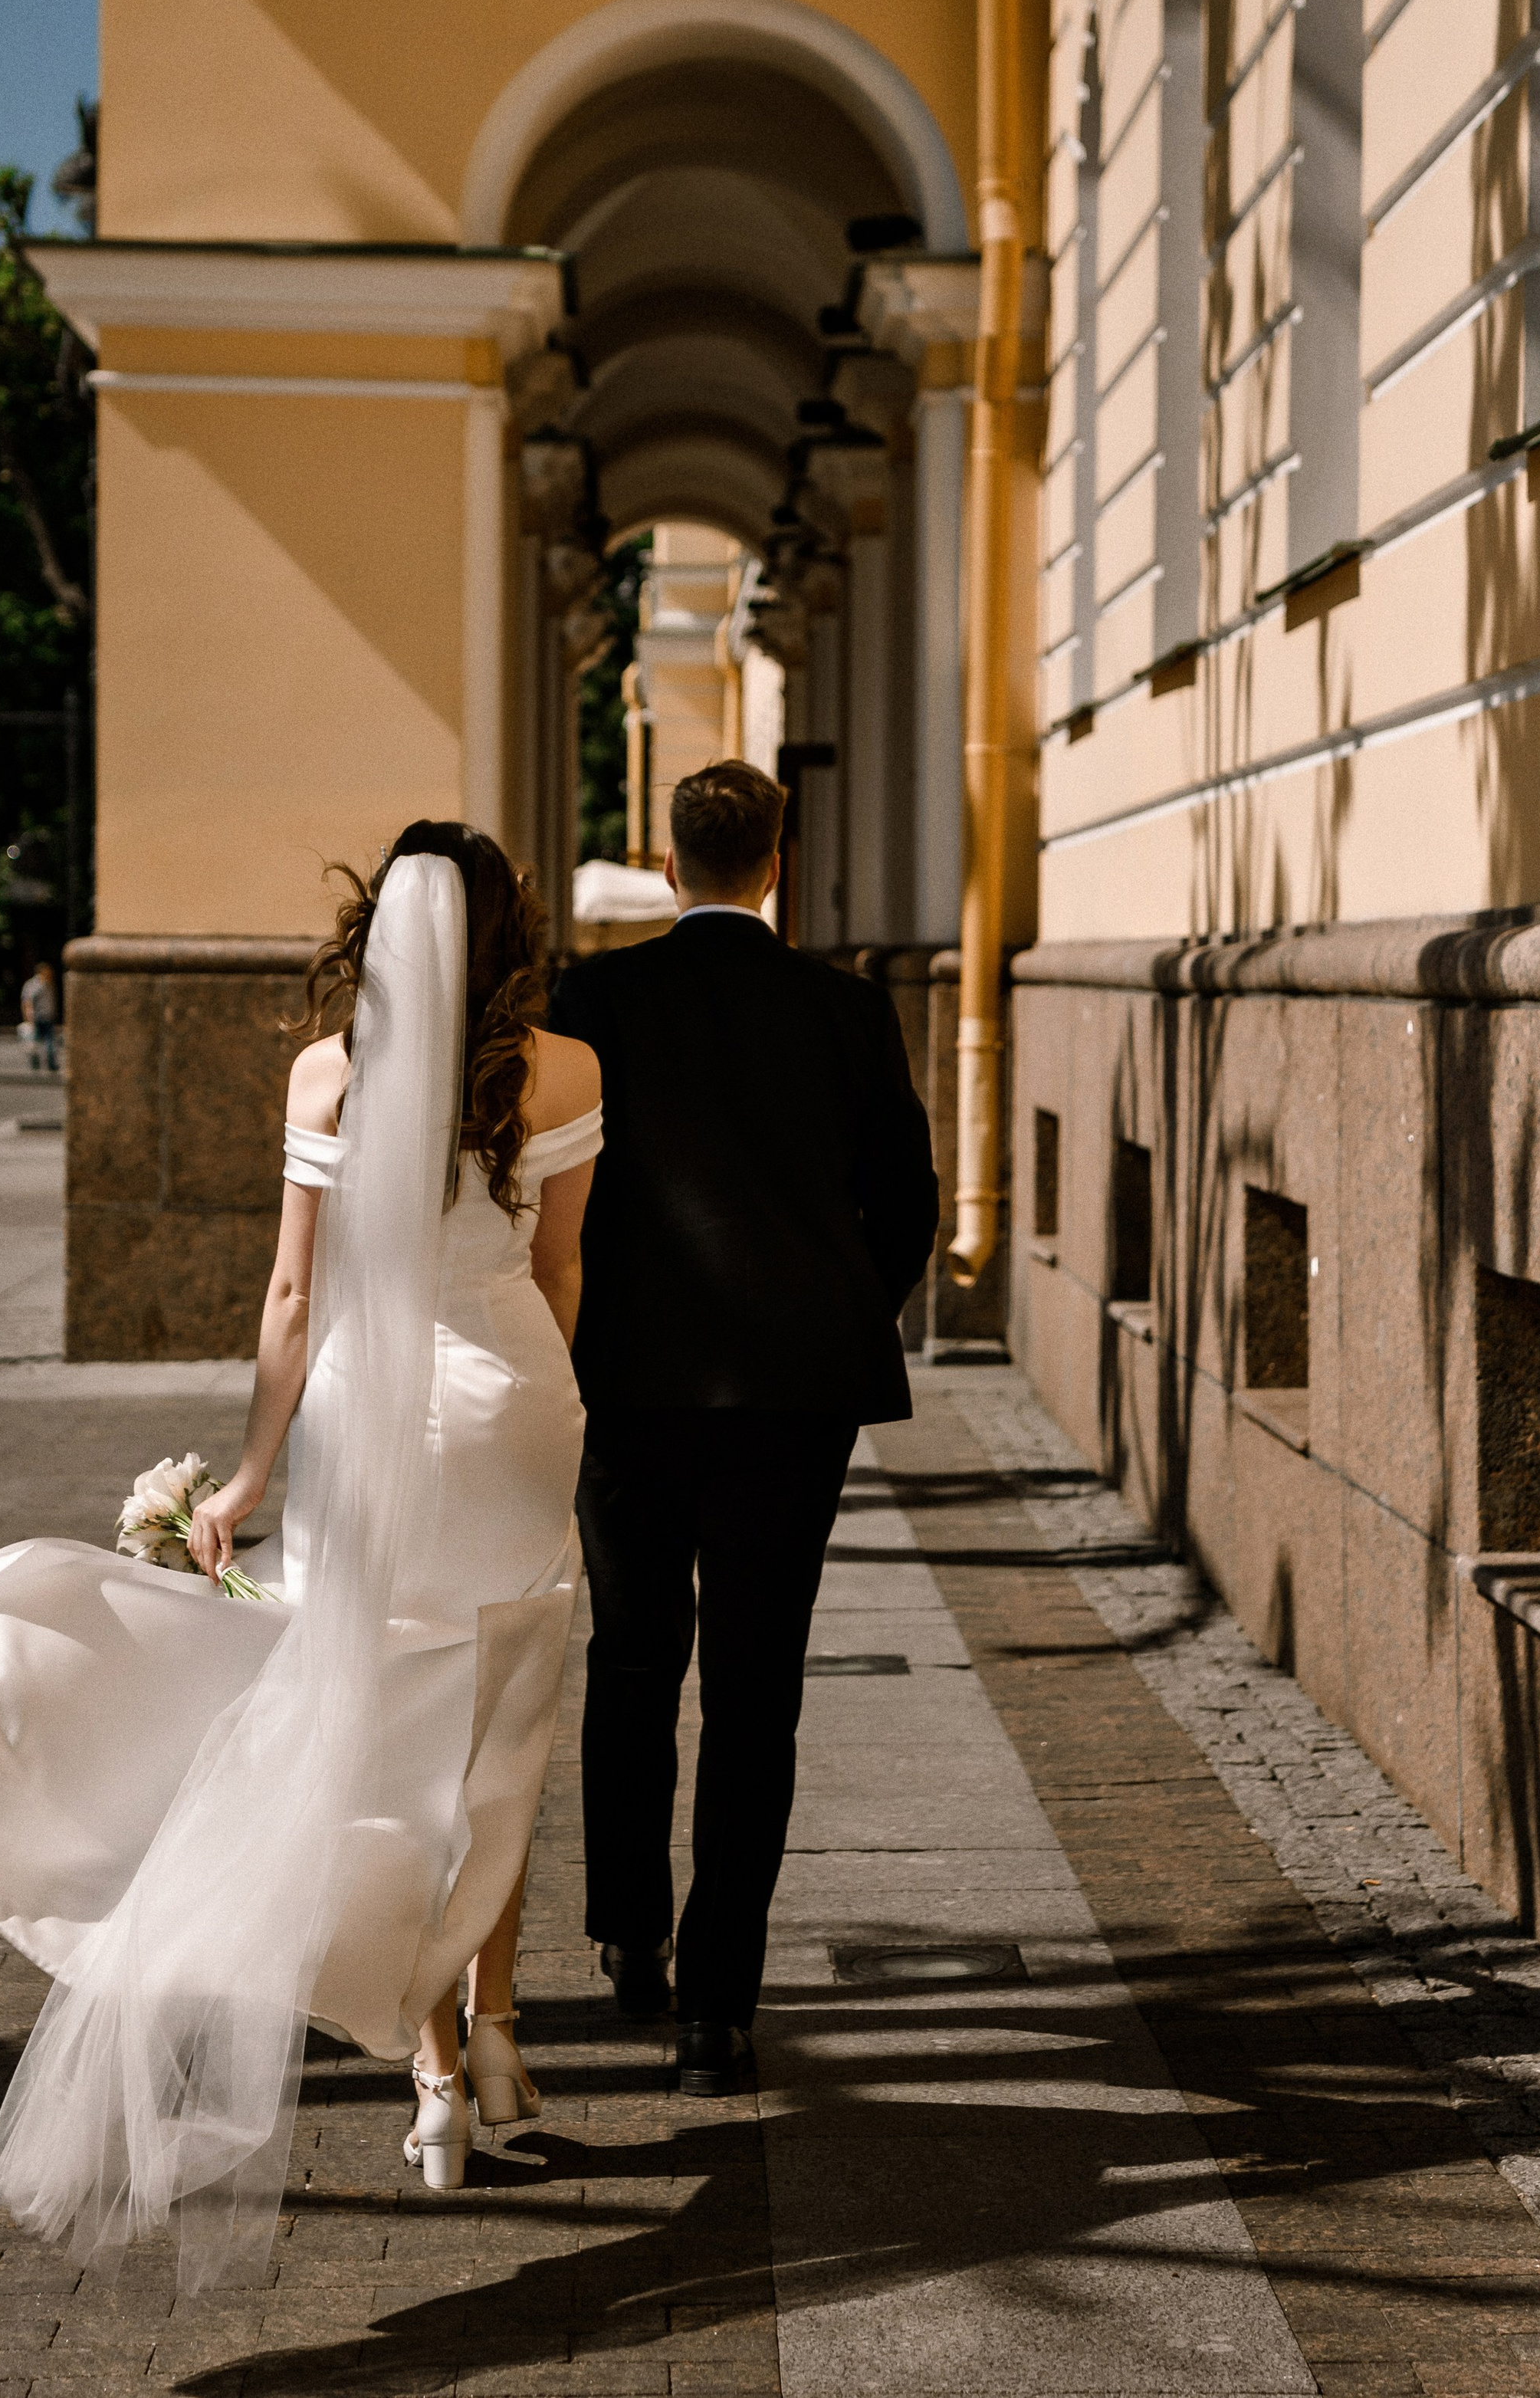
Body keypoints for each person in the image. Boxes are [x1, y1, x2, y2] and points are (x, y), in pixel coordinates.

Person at [0, 825, 601, 2285]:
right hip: (514, 1407)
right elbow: (559, 1272)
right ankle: (498, 2035)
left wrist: (247, 1471)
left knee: (383, 1738)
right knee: (502, 1727)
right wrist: (543, 1399)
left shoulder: (326, 1075)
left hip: (369, 1425)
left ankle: (435, 2079)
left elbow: (294, 1295)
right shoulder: (564, 1070)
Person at [549, 759, 938, 2097]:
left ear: (670, 865)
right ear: (777, 864)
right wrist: (841, 1311)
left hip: (628, 1382)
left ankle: (627, 1928)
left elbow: (558, 1191)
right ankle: (719, 2009)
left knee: (631, 1656)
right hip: (792, 1392)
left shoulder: (594, 1000)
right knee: (757, 1688)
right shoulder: (847, 1008)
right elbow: (907, 1199)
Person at [19, 959, 59, 1071]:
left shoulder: (49, 984)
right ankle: (38, 1061)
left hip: (48, 1016)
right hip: (38, 1017)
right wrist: (28, 1016)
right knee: (37, 1041)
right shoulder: (34, 985)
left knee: (47, 1041)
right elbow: (27, 1001)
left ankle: (49, 1063)